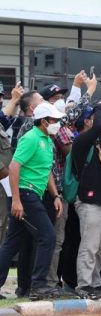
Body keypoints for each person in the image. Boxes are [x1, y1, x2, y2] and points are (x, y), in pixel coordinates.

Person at [0, 103, 68, 301]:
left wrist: (55, 195)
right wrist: (16, 201)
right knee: (47, 236)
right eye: (54, 120)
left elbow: (46, 171)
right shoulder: (31, 138)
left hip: (32, 194)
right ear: (44, 121)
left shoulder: (47, 139)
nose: (57, 123)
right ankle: (38, 285)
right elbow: (14, 167)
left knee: (12, 242)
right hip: (25, 194)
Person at [71, 104, 101, 300]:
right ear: (87, 121)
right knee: (90, 245)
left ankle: (95, 284)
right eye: (97, 117)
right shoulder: (81, 141)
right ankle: (84, 285)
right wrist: (100, 106)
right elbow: (97, 128)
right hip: (89, 202)